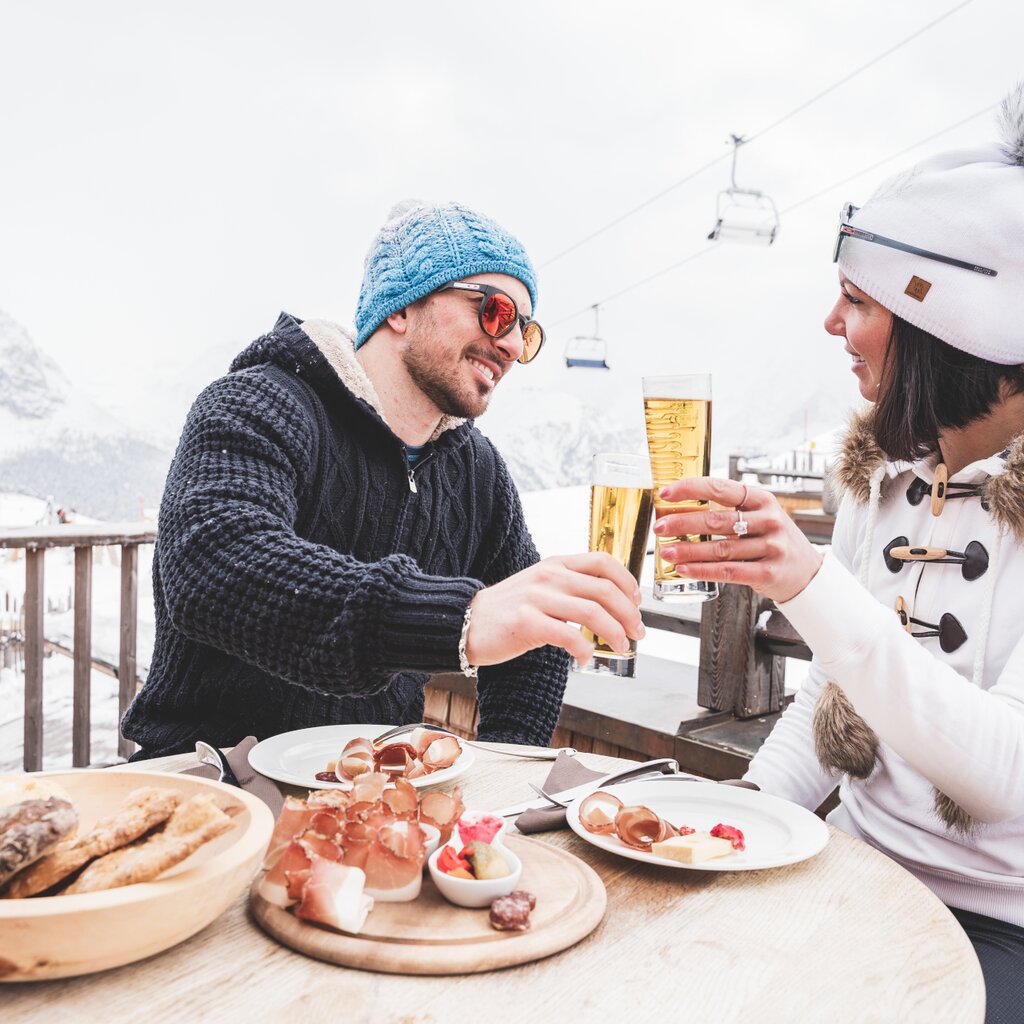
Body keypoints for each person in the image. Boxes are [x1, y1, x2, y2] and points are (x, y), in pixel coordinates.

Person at [655, 88, 1024, 1020]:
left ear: (950, 327)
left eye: (857, 300)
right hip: (857, 868)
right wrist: (735, 822)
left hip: (1002, 925)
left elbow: (1001, 775)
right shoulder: (885, 476)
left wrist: (812, 584)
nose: (831, 325)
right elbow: (833, 696)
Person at [121, 200, 644, 758]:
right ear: (402, 309)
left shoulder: (477, 473)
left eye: (525, 330)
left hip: (371, 796)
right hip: (215, 788)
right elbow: (212, 564)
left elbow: (533, 638)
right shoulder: (257, 403)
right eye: (495, 312)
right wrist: (458, 619)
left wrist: (506, 767)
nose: (513, 345)